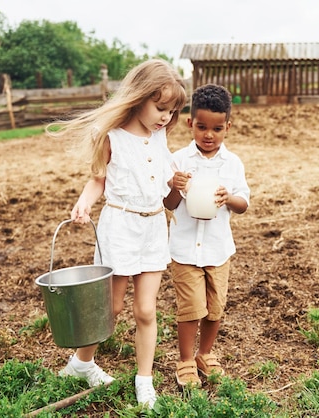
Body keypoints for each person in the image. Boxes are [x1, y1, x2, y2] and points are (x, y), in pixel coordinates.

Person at [47, 59, 188, 408]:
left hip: (154, 226)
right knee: (110, 307)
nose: (165, 117)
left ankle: (145, 380)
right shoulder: (111, 136)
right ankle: (82, 362)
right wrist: (84, 204)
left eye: (171, 111)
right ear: (139, 97)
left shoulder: (158, 136)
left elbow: (166, 186)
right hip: (121, 227)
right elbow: (98, 179)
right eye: (160, 108)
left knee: (146, 310)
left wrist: (178, 184)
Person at [164, 84, 250, 387]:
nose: (208, 135)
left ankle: (205, 353)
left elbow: (243, 204)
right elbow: (169, 204)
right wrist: (174, 184)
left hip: (217, 249)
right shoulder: (178, 160)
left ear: (228, 126)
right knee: (191, 307)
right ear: (190, 123)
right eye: (201, 127)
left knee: (215, 307)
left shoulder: (233, 164)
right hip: (185, 248)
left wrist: (229, 198)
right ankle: (186, 359)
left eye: (217, 128)